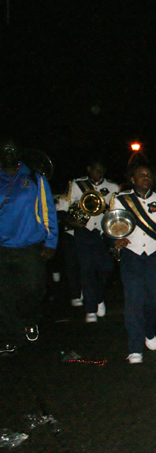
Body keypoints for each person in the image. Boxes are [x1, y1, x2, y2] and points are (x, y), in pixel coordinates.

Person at [110, 163, 156, 364]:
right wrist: (115, 240)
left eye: (148, 175)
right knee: (133, 301)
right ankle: (134, 347)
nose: (145, 177)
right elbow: (112, 226)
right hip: (131, 255)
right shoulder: (121, 200)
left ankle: (149, 331)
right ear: (132, 179)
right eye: (140, 175)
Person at [0, 138, 58, 355]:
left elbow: (48, 211)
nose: (8, 152)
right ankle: (10, 335)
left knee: (33, 289)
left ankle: (30, 319)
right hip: (2, 247)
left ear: (19, 153)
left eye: (12, 149)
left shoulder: (34, 177)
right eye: (4, 149)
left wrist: (50, 242)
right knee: (3, 295)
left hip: (29, 246)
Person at [62, 160, 119, 322]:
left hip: (103, 233)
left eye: (101, 170)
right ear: (89, 168)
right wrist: (70, 221)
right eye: (95, 169)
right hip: (83, 232)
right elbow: (62, 207)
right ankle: (90, 308)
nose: (98, 173)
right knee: (86, 269)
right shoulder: (76, 185)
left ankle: (99, 296)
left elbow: (116, 212)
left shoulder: (113, 187)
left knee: (106, 268)